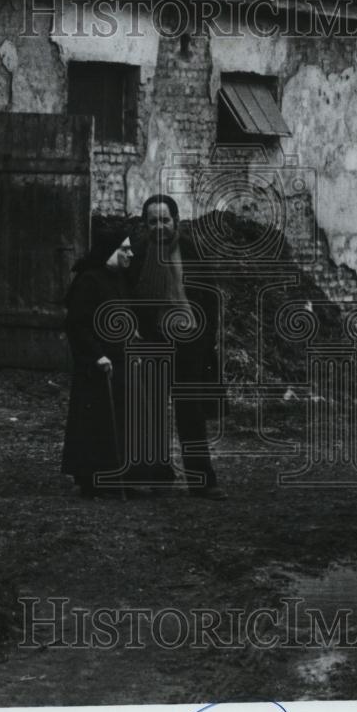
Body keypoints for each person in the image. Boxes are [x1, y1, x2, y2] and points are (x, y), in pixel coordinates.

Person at [130, 194, 226, 500]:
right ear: (145, 225)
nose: (160, 226)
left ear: (176, 222)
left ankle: (203, 481)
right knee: (154, 413)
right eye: (153, 221)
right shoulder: (138, 253)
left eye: (165, 220)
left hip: (189, 344)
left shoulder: (191, 251)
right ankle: (160, 476)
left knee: (191, 413)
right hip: (153, 343)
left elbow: (210, 298)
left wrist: (205, 338)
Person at [61, 222, 135, 498]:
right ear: (109, 251)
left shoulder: (119, 279)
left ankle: (117, 475)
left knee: (118, 419)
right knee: (95, 421)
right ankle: (92, 478)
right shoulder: (89, 280)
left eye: (130, 250)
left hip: (120, 361)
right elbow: (77, 324)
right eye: (125, 249)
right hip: (98, 364)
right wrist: (96, 355)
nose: (130, 255)